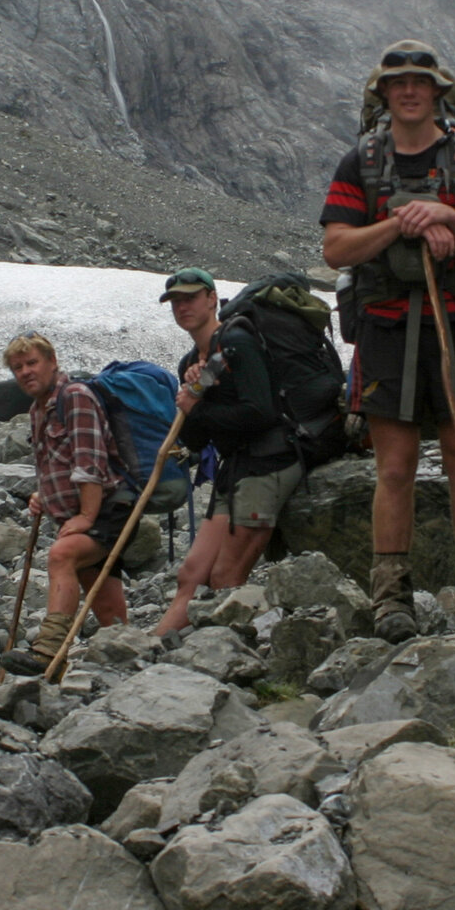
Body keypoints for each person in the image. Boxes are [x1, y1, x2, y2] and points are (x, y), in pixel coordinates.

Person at [320, 41, 455, 642]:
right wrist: (401, 223)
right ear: (384, 93)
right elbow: (334, 249)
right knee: (395, 466)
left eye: (419, 82)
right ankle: (391, 600)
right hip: (385, 327)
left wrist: (450, 220)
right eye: (397, 82)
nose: (408, 91)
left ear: (436, 91)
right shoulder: (359, 163)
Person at [153, 267, 302, 638]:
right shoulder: (195, 362)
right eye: (175, 301)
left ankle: (227, 660)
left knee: (225, 576)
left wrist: (197, 405)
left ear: (211, 300)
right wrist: (192, 400)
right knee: (192, 573)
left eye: (190, 297)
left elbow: (261, 412)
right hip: (235, 467)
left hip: (268, 462)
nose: (182, 306)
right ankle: (154, 648)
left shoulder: (236, 342)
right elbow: (196, 437)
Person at [0, 332, 134, 675]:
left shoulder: (74, 396)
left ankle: (48, 653)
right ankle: (133, 662)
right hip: (79, 512)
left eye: (32, 362)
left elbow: (90, 461)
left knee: (61, 556)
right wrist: (42, 495)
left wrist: (87, 516)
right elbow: (57, 462)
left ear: (52, 361)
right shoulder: (38, 409)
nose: (26, 372)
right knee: (106, 608)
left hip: (107, 508)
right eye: (18, 367)